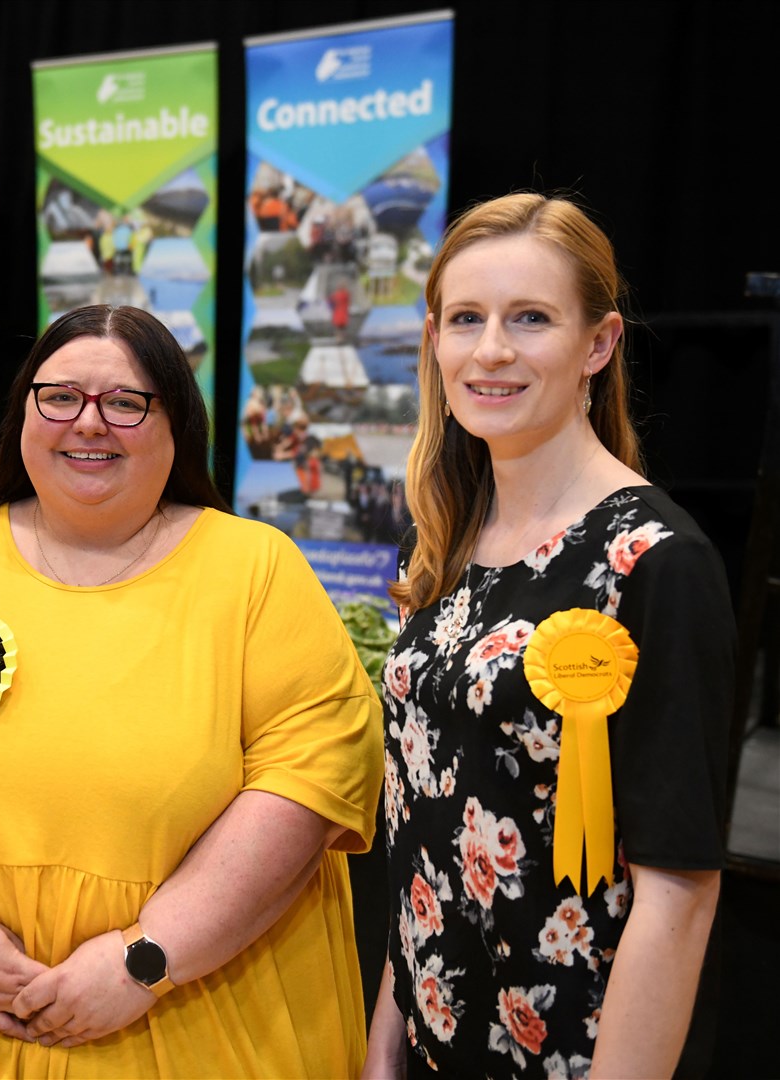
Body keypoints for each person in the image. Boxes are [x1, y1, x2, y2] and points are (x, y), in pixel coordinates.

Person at [0, 304, 383, 1077]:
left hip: (191, 1019)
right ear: (24, 412)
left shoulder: (255, 569)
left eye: (125, 403)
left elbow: (314, 778)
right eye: (61, 396)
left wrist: (147, 961)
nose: (89, 423)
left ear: (175, 423)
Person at [362, 194, 733, 1078]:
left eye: (530, 318)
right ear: (434, 341)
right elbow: (424, 841)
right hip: (427, 1045)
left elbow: (679, 897)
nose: (491, 349)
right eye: (466, 320)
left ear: (597, 345)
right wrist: (382, 1057)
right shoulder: (439, 542)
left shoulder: (655, 564)